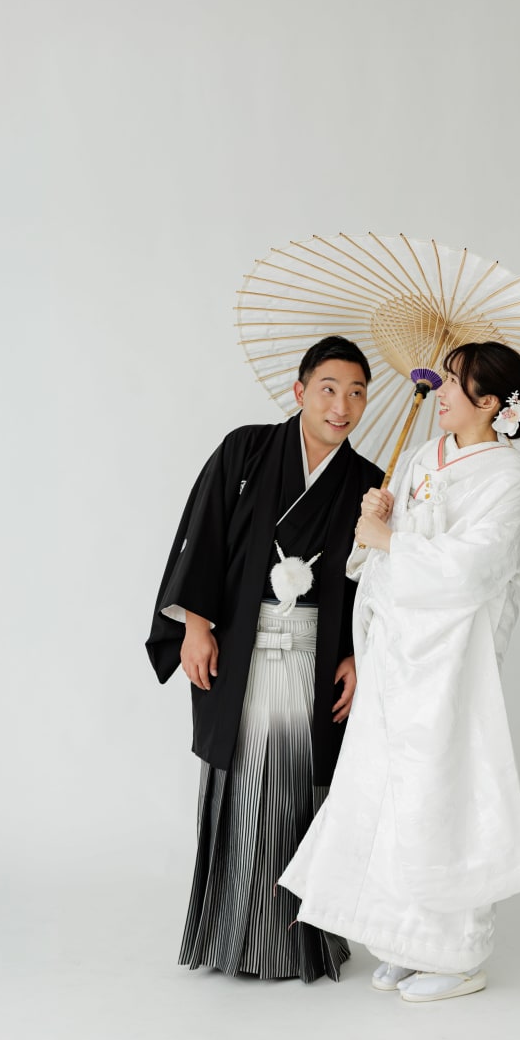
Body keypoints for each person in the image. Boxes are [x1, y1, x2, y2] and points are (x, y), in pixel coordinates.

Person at [279, 341, 520, 1002]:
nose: (441, 392)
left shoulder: (507, 479)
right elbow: (385, 551)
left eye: (455, 383)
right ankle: (402, 940)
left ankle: (456, 954)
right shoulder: (424, 456)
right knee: (384, 787)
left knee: (439, 790)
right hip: (397, 649)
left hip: (450, 658)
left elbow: (477, 568)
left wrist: (392, 541)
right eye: (445, 379)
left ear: (489, 402)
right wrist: (376, 523)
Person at [146, 336, 383, 983]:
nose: (342, 405)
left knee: (300, 792)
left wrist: (359, 655)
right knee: (242, 787)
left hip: (315, 657)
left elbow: (376, 582)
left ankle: (298, 943)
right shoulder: (246, 450)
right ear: (300, 391)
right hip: (241, 649)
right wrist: (196, 626)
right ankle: (230, 937)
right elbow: (203, 533)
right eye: (329, 389)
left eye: (357, 392)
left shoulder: (369, 483)